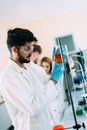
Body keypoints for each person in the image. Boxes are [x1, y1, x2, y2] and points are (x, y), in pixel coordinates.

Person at [0, 28, 64, 130]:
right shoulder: (8, 77)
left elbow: (53, 89)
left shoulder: (32, 67)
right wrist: (53, 80)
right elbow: (33, 108)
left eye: (31, 47)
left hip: (47, 125)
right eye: (27, 48)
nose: (31, 52)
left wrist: (57, 71)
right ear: (14, 50)